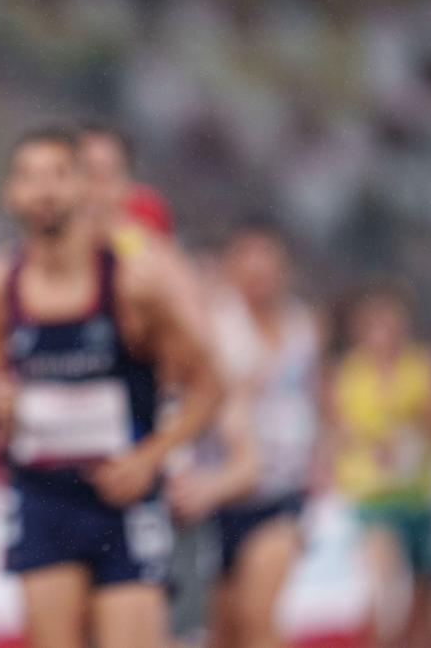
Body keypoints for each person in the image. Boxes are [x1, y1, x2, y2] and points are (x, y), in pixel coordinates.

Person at [0, 127, 221, 648]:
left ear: (87, 189)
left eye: (59, 175)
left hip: (123, 497)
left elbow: (210, 387)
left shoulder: (134, 283)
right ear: (10, 194)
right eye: (29, 178)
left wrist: (150, 457)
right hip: (43, 495)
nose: (44, 192)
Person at [168, 220, 323, 648]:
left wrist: (322, 458)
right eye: (248, 262)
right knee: (227, 631)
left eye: (267, 263)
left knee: (259, 618)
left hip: (278, 492)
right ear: (232, 267)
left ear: (284, 269)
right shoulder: (216, 325)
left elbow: (314, 396)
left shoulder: (303, 325)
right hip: (220, 494)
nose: (258, 274)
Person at [326, 282, 431, 647]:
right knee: (388, 592)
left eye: (389, 325)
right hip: (373, 499)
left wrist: (430, 417)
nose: (381, 335)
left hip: (421, 498)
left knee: (427, 606)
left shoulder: (426, 368)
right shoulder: (347, 375)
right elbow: (334, 435)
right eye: (373, 326)